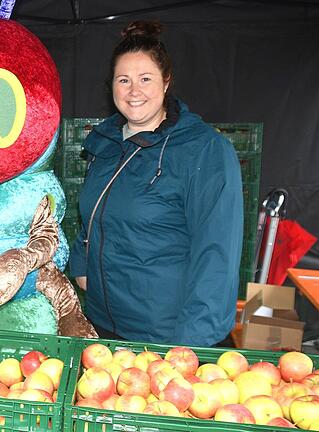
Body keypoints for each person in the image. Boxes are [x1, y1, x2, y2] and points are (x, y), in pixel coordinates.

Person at [68, 21, 243, 347]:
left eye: (145, 79)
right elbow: (92, 215)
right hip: (104, 324)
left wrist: (189, 347)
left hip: (166, 335)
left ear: (166, 82)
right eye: (124, 80)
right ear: (112, 87)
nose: (134, 90)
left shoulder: (203, 150)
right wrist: (81, 262)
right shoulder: (105, 143)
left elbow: (217, 254)